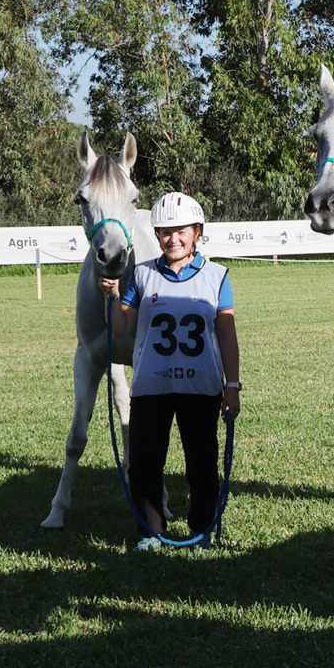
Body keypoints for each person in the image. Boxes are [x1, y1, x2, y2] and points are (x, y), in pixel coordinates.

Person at [103, 192, 240, 550]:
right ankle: (150, 531)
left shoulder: (217, 276)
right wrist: (114, 296)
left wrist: (233, 386)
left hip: (201, 387)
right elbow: (121, 329)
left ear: (197, 232)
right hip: (152, 386)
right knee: (146, 464)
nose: (173, 239)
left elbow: (226, 335)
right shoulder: (142, 275)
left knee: (201, 465)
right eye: (165, 232)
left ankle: (201, 530)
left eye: (181, 231)